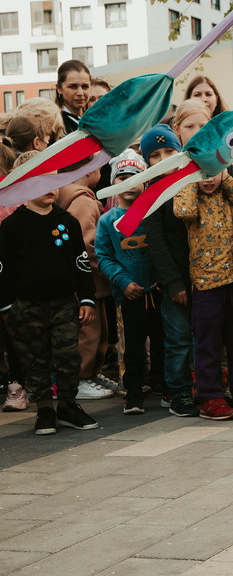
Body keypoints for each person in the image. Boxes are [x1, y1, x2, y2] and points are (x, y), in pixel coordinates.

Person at [0, 153, 98, 436]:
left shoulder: (66, 221)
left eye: (54, 179)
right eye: (40, 180)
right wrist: (6, 305)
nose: (51, 187)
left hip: (64, 303)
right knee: (35, 359)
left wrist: (87, 297)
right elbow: (3, 269)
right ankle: (44, 409)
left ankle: (68, 405)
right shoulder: (12, 226)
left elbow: (81, 261)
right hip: (26, 307)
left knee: (68, 356)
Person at [173, 167, 233, 420]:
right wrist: (190, 180)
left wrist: (226, 178)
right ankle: (209, 395)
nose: (209, 178)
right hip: (206, 285)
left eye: (214, 172)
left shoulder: (229, 194)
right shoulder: (190, 196)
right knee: (208, 344)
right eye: (202, 173)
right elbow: (183, 211)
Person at [95, 150, 166, 416]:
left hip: (158, 292)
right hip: (130, 296)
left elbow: (163, 248)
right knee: (134, 347)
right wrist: (123, 282)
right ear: (114, 182)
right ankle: (134, 390)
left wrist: (163, 279)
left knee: (162, 341)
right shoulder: (108, 221)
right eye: (122, 177)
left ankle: (161, 384)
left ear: (145, 181)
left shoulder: (154, 214)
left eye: (135, 177)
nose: (128, 182)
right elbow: (104, 256)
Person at [143, 124, 198, 418]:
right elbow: (157, 244)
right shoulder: (151, 194)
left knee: (202, 337)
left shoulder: (193, 183)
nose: (164, 158)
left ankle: (205, 386)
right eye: (155, 155)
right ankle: (177, 392)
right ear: (147, 162)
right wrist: (174, 282)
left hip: (203, 277)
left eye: (169, 152)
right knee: (177, 338)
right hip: (174, 282)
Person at [57, 167, 115, 401]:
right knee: (89, 331)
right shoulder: (84, 201)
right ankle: (81, 379)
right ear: (90, 171)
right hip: (89, 280)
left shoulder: (67, 196)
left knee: (97, 331)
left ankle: (92, 373)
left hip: (86, 282)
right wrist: (106, 268)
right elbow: (87, 244)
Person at [55, 59, 93, 134]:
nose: (80, 93)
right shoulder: (54, 125)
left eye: (85, 86)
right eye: (73, 86)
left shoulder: (94, 121)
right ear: (59, 88)